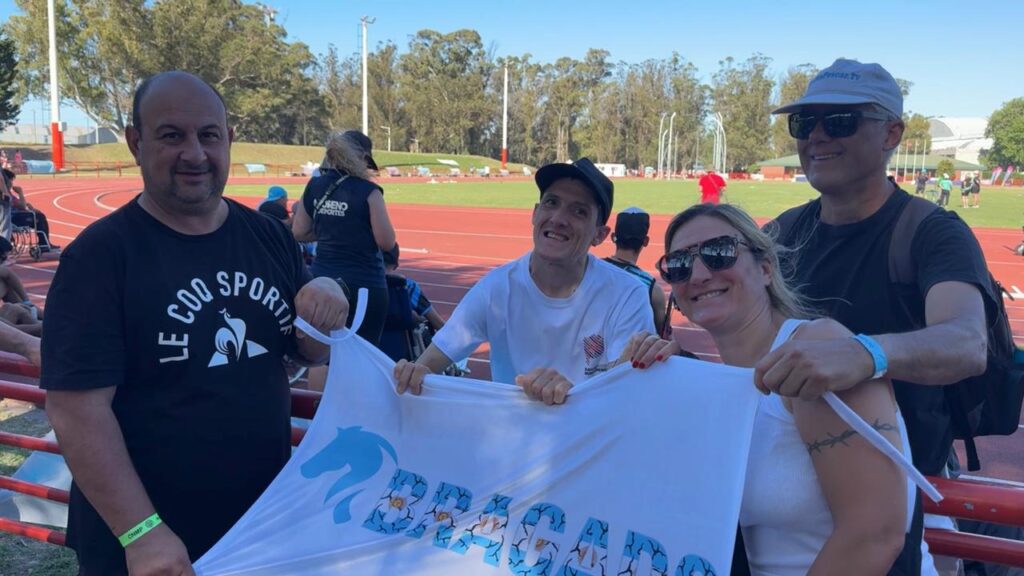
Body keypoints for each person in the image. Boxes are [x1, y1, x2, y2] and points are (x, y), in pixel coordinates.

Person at [40, 71, 349, 576]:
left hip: (255, 526)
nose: (194, 153)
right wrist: (142, 533)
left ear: (228, 140)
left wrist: (326, 297)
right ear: (136, 143)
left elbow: (305, 352)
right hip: (148, 543)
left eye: (208, 135)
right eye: (171, 135)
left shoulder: (268, 238)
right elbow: (75, 410)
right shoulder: (100, 257)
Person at [764, 58, 997, 576]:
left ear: (892, 133)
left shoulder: (932, 232)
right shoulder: (782, 233)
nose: (816, 137)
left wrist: (865, 354)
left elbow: (966, 342)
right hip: (781, 483)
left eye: (840, 121)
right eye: (804, 123)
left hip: (888, 500)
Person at [625, 203, 917, 576]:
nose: (697, 274)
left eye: (719, 252)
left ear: (765, 269)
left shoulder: (816, 353)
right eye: (679, 264)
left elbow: (875, 535)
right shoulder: (722, 385)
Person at [393, 157, 654, 403]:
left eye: (579, 211)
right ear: (535, 213)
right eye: (552, 203)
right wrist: (411, 372)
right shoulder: (496, 288)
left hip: (591, 443)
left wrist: (570, 396)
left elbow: (629, 392)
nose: (559, 219)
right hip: (513, 443)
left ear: (599, 234)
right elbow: (429, 362)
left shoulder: (626, 294)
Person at [292, 130, 396, 347]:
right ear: (361, 158)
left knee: (324, 353)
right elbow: (386, 242)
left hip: (323, 278)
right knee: (363, 352)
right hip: (364, 283)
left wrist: (330, 229)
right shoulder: (369, 191)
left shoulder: (314, 186)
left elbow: (299, 232)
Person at [603, 207, 669, 337]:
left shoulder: (589, 270)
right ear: (645, 241)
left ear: (613, 237)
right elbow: (663, 336)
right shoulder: (652, 289)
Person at [382, 243, 445, 332]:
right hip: (401, 342)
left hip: (364, 339)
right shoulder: (407, 286)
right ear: (396, 265)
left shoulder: (362, 283)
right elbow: (438, 323)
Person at [3, 168, 60, 252]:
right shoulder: (7, 194)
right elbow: (21, 206)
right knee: (39, 216)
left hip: (12, 217)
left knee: (37, 215)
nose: (12, 183)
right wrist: (20, 192)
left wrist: (28, 206)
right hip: (14, 219)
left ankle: (44, 243)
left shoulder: (7, 193)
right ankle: (43, 244)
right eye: (11, 181)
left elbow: (20, 205)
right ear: (7, 181)